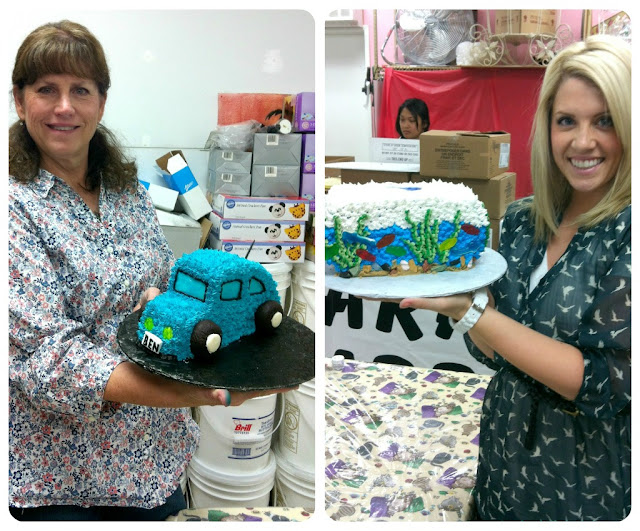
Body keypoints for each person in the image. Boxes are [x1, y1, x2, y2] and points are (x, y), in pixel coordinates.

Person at [9, 20, 294, 521]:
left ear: (101, 102)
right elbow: (45, 357)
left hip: (154, 457)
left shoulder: (127, 191)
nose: (64, 107)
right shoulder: (14, 206)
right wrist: (189, 392)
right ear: (19, 100)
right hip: (62, 475)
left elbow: (159, 280)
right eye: (46, 89)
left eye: (81, 90)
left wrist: (156, 301)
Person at [389, 35, 631, 520]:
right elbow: (493, 351)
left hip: (583, 490)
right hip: (503, 470)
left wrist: (471, 311)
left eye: (604, 120)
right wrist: (458, 296)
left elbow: (604, 382)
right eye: (567, 121)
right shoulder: (522, 220)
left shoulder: (626, 233)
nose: (583, 141)